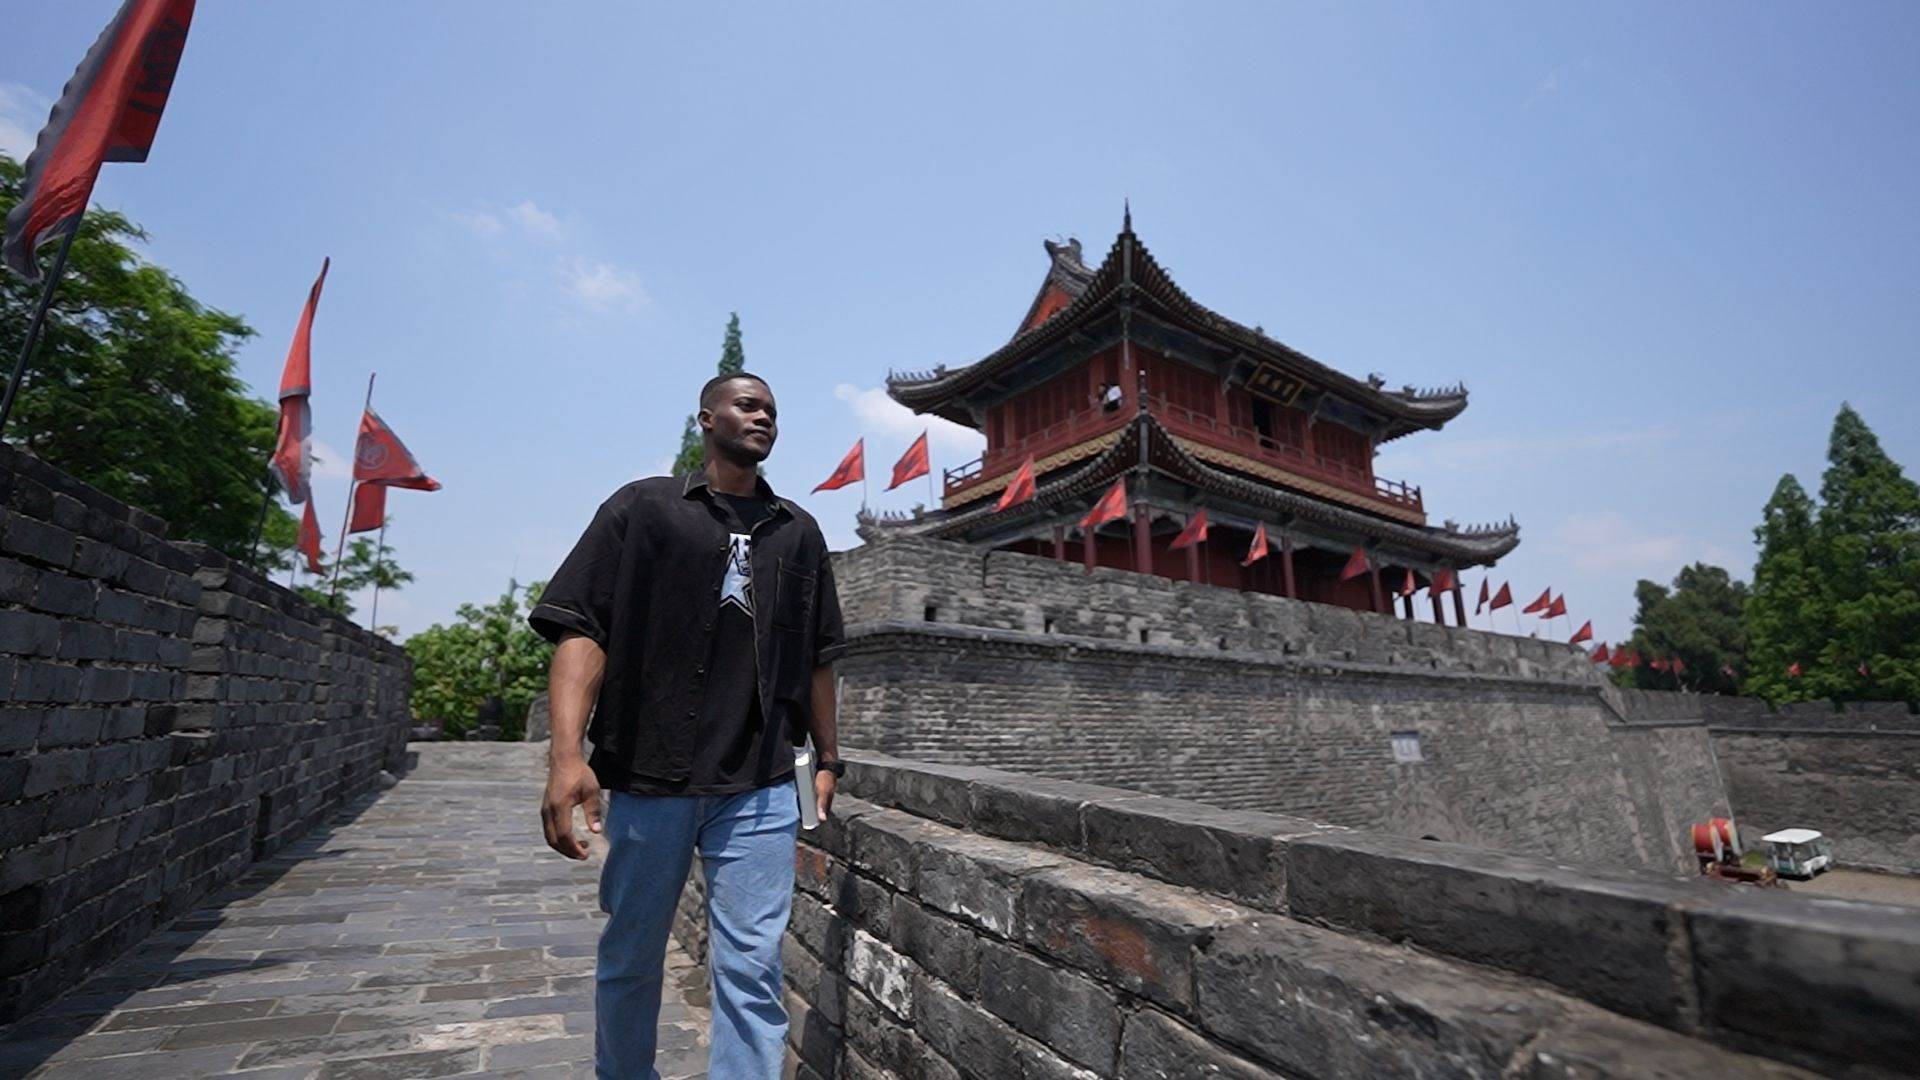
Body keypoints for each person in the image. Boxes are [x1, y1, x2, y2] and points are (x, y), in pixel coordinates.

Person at [529, 371, 846, 1079]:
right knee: (632, 956)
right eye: (747, 405)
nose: (763, 417)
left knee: (752, 968)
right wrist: (565, 757)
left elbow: (818, 656)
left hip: (763, 782)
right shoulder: (643, 508)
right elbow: (583, 630)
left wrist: (828, 759)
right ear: (706, 418)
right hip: (650, 778)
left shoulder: (797, 532)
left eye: (771, 410)